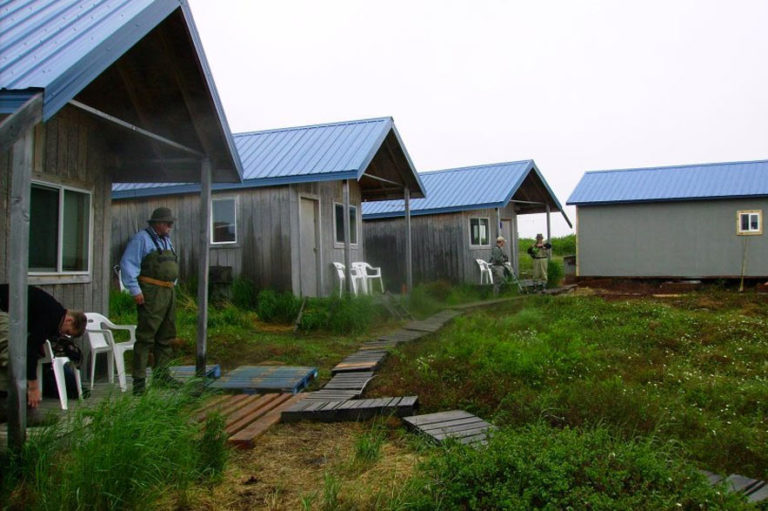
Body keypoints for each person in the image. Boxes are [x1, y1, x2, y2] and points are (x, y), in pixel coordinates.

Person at [0, 284, 87, 415]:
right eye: (67, 332)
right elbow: (31, 347)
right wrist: (33, 386)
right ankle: (15, 406)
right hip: (3, 309)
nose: (63, 335)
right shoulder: (52, 317)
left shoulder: (52, 311)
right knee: (13, 353)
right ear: (69, 320)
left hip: (9, 310)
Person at [120, 207, 180, 395]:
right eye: (167, 223)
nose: (170, 227)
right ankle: (139, 381)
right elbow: (128, 264)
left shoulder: (167, 241)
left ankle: (162, 375)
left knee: (165, 335)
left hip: (168, 291)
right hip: (151, 292)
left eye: (171, 224)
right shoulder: (141, 239)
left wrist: (173, 282)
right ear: (157, 223)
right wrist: (135, 290)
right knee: (146, 336)